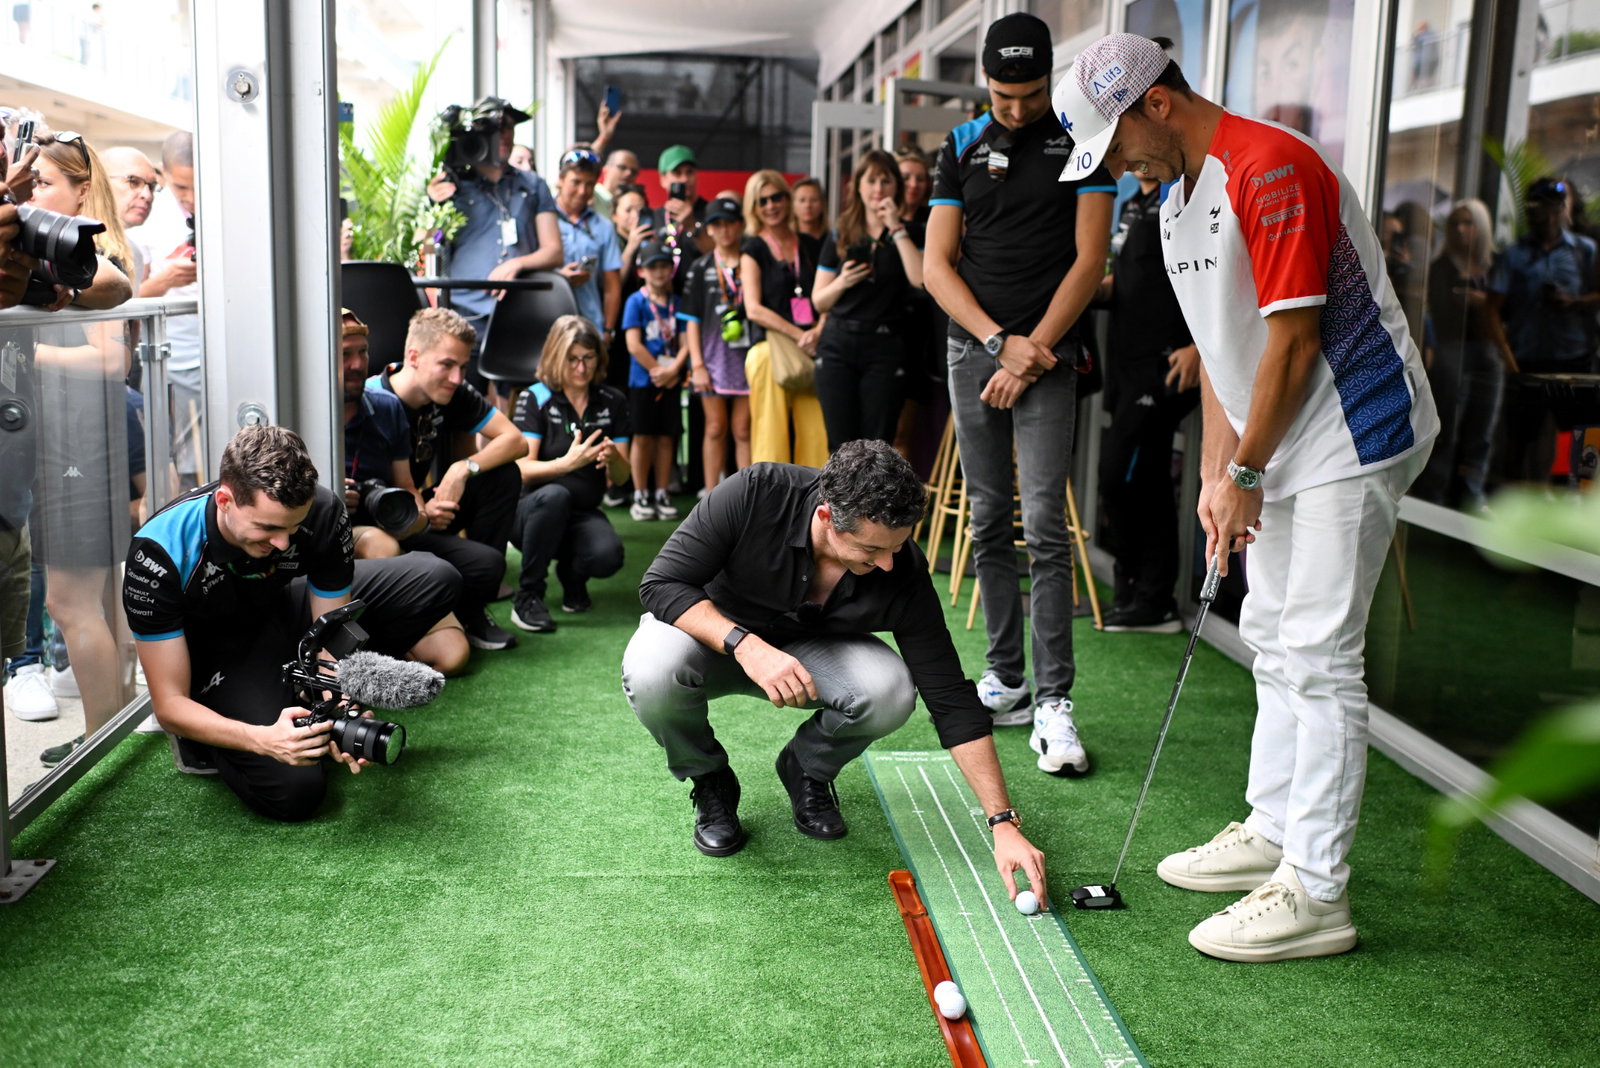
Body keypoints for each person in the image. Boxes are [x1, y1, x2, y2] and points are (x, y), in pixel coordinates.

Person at [1055, 32, 1438, 961]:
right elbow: (1229, 361)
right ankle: (1272, 829)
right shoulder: (1174, 204)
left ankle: (1315, 890)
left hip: (1357, 424)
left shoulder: (1269, 167)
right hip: (1280, 438)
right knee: (1270, 636)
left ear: (1155, 102)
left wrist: (1246, 474)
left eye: (1114, 147)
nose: (1118, 170)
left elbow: (1297, 344)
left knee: (1317, 653)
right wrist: (1220, 476)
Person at [622, 440, 1048, 907]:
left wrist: (1002, 822)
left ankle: (806, 767)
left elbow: (949, 695)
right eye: (871, 549)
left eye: (898, 546)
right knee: (651, 672)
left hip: (808, 654)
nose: (887, 562)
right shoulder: (755, 492)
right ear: (826, 517)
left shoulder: (899, 566)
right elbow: (659, 583)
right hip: (715, 638)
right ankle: (711, 780)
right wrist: (745, 645)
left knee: (890, 690)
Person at [923, 13, 1114, 769]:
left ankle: (1056, 702)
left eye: (1029, 93)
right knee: (989, 518)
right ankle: (1004, 678)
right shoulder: (961, 143)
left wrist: (1033, 354)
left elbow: (1091, 260)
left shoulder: (1081, 138)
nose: (1015, 107)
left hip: (1049, 358)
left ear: (1049, 79)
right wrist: (1001, 343)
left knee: (1045, 522)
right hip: (977, 352)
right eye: (1002, 94)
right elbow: (938, 267)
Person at [123, 425, 459, 822]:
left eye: (292, 527)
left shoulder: (322, 509)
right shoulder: (158, 553)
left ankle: (296, 691)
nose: (283, 543)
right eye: (267, 528)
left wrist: (337, 700)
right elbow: (169, 704)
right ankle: (213, 735)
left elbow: (332, 626)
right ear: (225, 500)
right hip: (220, 656)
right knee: (296, 793)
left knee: (435, 578)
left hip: (284, 608)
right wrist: (261, 740)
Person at [28, 129, 139, 766]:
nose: (31, 195)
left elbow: (110, 361)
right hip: (79, 441)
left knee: (68, 602)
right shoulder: (70, 257)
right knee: (93, 600)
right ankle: (110, 726)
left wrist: (23, 351)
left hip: (81, 443)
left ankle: (98, 743)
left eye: (45, 183)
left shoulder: (91, 258)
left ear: (79, 191)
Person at [368, 307, 528, 651]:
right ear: (414, 357)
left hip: (424, 507)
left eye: (463, 367)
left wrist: (461, 469)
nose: (457, 377)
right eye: (446, 365)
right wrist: (419, 513)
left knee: (501, 474)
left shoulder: (452, 392)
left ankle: (472, 611)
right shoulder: (373, 400)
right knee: (486, 566)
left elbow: (516, 440)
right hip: (381, 528)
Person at [338, 310, 468, 676]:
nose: (357, 364)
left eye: (362, 352)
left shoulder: (386, 407)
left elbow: (407, 489)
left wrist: (418, 515)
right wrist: (327, 498)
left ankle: (370, 647)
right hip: (317, 540)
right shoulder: (295, 407)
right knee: (379, 543)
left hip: (378, 529)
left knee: (452, 655)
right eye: (344, 354)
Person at [1097, 170, 1200, 631]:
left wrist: (1200, 346)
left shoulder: (1187, 196)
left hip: (1165, 366)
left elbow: (1218, 276)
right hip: (1125, 365)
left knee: (1125, 478)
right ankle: (1136, 595)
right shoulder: (1130, 204)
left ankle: (1152, 598)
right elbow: (1124, 284)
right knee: (1142, 480)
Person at [425, 97, 562, 384]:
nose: (503, 135)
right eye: (494, 128)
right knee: (464, 401)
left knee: (520, 400)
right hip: (465, 313)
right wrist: (433, 206)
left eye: (509, 127)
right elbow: (427, 251)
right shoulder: (453, 186)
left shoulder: (533, 185)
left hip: (520, 311)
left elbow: (553, 251)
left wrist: (518, 264)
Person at [509, 315, 631, 632]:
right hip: (532, 512)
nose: (581, 368)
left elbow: (621, 478)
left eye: (588, 358)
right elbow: (521, 470)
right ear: (556, 358)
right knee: (555, 495)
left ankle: (572, 575)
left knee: (608, 556)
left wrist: (615, 458)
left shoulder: (612, 401)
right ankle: (528, 596)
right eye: (572, 359)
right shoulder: (535, 397)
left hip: (582, 512)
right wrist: (566, 464)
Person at [811, 149, 924, 451]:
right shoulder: (840, 235)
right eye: (871, 180)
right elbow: (819, 302)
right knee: (839, 445)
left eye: (886, 181)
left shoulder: (911, 232)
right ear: (857, 186)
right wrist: (843, 282)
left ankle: (871, 501)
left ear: (896, 188)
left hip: (884, 345)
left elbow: (921, 278)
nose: (878, 189)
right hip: (837, 343)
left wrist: (897, 228)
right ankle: (839, 501)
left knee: (877, 444)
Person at [1490, 176, 1599, 486]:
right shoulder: (1514, 255)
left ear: (1563, 209)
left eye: (1555, 207)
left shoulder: (1584, 250)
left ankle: (1576, 499)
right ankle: (1512, 500)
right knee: (1520, 438)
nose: (1549, 215)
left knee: (1579, 437)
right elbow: (1492, 309)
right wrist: (1508, 359)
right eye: (1541, 208)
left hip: (1574, 358)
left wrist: (1574, 302)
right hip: (1529, 360)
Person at [1415, 199, 1516, 511]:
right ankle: (1435, 493)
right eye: (1456, 223)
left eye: (1468, 223)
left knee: (1483, 429)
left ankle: (1472, 494)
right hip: (1451, 349)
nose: (1460, 230)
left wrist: (1481, 304)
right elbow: (1442, 313)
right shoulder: (1442, 266)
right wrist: (1480, 305)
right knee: (1446, 425)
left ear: (1482, 227)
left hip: (1488, 350)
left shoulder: (1497, 264)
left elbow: (1508, 310)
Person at [739, 170, 827, 467]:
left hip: (812, 349)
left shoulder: (812, 245)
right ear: (754, 207)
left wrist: (818, 329)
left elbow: (829, 295)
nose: (771, 205)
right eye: (762, 201)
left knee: (818, 435)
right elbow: (753, 309)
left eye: (777, 197)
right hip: (770, 350)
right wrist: (798, 334)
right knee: (770, 435)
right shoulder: (752, 249)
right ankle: (768, 507)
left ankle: (816, 506)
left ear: (787, 200)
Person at [138, 130, 203, 493]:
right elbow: (131, 298)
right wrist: (165, 281)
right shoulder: (149, 221)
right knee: (181, 464)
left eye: (197, 187)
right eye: (181, 188)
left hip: (218, 354)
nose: (191, 198)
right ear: (163, 175)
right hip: (168, 359)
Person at [680, 196, 751, 495]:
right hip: (711, 360)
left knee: (743, 430)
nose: (724, 231)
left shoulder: (753, 262)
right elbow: (692, 320)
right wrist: (696, 365)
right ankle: (711, 498)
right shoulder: (699, 267)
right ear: (708, 229)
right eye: (717, 224)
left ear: (741, 226)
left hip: (749, 359)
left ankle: (749, 498)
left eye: (730, 223)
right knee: (714, 428)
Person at [621, 241, 686, 521]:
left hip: (670, 380)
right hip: (643, 381)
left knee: (666, 437)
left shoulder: (678, 302)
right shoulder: (635, 301)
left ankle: (661, 492)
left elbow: (686, 343)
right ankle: (640, 493)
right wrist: (657, 371)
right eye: (652, 267)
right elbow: (633, 344)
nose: (659, 272)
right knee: (643, 436)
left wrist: (674, 371)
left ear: (671, 269)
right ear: (641, 271)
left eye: (663, 266)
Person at [552, 147, 622, 344]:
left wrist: (607, 330)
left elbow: (612, 284)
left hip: (590, 327)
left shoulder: (604, 226)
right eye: (576, 182)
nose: (582, 191)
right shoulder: (541, 219)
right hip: (548, 325)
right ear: (560, 179)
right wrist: (558, 278)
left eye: (589, 184)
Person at [655, 144, 712, 291]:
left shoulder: (711, 212)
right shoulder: (656, 217)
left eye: (690, 172)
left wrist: (692, 226)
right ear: (663, 179)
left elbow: (720, 255)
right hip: (664, 301)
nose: (685, 179)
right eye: (677, 173)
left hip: (703, 296)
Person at [593, 148, 640, 222]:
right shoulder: (592, 193)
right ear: (606, 169)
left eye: (633, 172)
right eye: (622, 167)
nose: (628, 173)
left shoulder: (635, 204)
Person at [792, 176, 829, 241]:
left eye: (814, 200)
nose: (808, 205)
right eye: (802, 200)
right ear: (792, 205)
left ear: (822, 204)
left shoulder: (833, 240)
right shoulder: (785, 241)